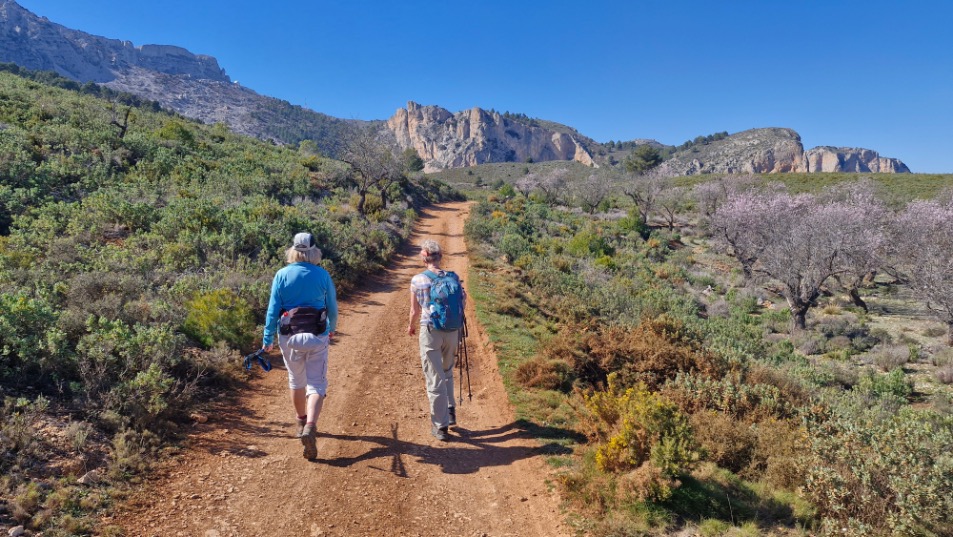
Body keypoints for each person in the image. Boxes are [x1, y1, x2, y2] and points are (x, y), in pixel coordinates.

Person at [262, 232, 338, 460]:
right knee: (316, 383)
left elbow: (272, 310)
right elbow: (332, 308)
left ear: (293, 250)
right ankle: (311, 426)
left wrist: (267, 340)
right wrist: (331, 329)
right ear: (314, 251)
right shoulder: (322, 275)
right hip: (317, 335)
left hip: (289, 336)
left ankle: (300, 421)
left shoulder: (281, 275)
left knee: (296, 380)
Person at [408, 239, 465, 441]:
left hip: (431, 330)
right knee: (447, 371)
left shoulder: (418, 280)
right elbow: (462, 302)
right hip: (452, 331)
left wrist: (411, 326)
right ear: (440, 257)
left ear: (424, 259)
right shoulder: (454, 277)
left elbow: (415, 311)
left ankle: (440, 426)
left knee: (434, 377)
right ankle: (450, 411)